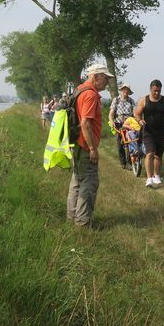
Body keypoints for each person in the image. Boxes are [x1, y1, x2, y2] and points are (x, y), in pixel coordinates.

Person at [66, 63, 113, 228]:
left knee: (77, 181)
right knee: (89, 183)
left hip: (77, 144)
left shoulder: (79, 89)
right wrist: (93, 148)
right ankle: (83, 223)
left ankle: (72, 217)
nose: (107, 82)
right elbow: (85, 123)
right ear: (96, 76)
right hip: (85, 146)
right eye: (105, 78)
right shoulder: (91, 95)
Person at [135, 79, 164, 188]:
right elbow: (137, 114)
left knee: (158, 155)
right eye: (154, 91)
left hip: (161, 131)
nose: (156, 93)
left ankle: (157, 176)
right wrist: (139, 120)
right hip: (148, 131)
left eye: (159, 91)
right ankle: (149, 178)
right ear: (150, 89)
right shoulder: (144, 100)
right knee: (150, 153)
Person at [109, 83, 136, 169]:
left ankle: (129, 162)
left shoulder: (131, 101)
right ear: (121, 90)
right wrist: (111, 121)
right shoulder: (116, 100)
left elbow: (135, 113)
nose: (126, 91)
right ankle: (123, 162)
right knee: (120, 143)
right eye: (124, 89)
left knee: (129, 142)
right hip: (118, 123)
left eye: (127, 90)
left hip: (129, 124)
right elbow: (111, 113)